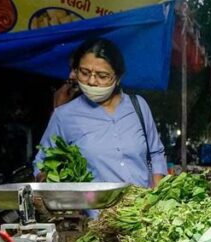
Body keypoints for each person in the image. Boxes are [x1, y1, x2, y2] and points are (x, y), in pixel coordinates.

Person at [35, 38, 167, 188]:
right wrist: (49, 182)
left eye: (102, 76)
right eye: (84, 73)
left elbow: (156, 153)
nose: (91, 81)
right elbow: (42, 162)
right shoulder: (64, 116)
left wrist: (157, 193)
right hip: (95, 210)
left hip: (143, 208)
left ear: (118, 77)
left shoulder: (139, 106)